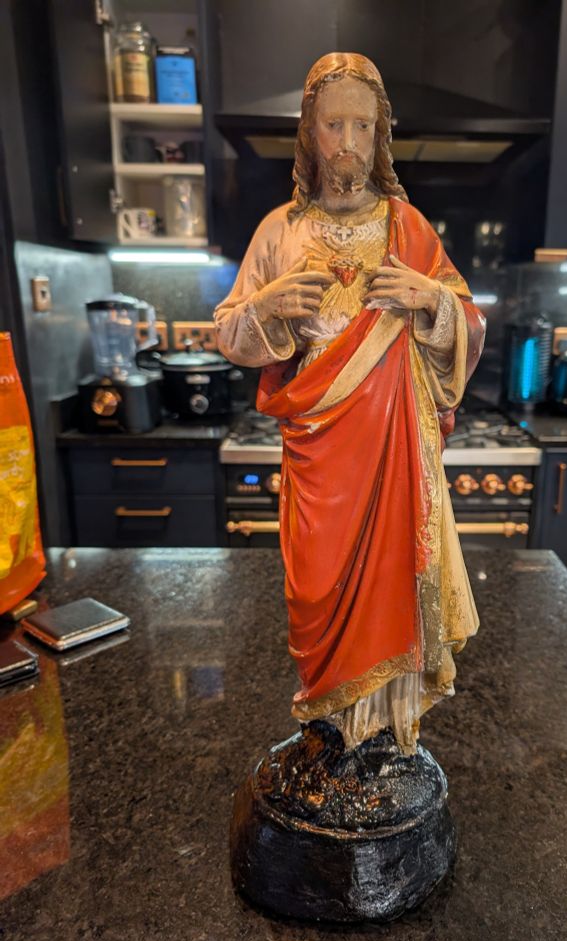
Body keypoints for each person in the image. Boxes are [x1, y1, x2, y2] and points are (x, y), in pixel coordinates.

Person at [215, 52, 485, 755]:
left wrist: (432, 302)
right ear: (308, 132)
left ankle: (386, 725)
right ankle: (330, 714)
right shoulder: (280, 230)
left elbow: (465, 323)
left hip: (394, 448)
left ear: (379, 135)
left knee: (394, 578)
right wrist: (267, 308)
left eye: (362, 126)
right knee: (316, 590)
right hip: (316, 448)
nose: (348, 142)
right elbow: (227, 330)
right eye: (333, 124)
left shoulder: (409, 227)